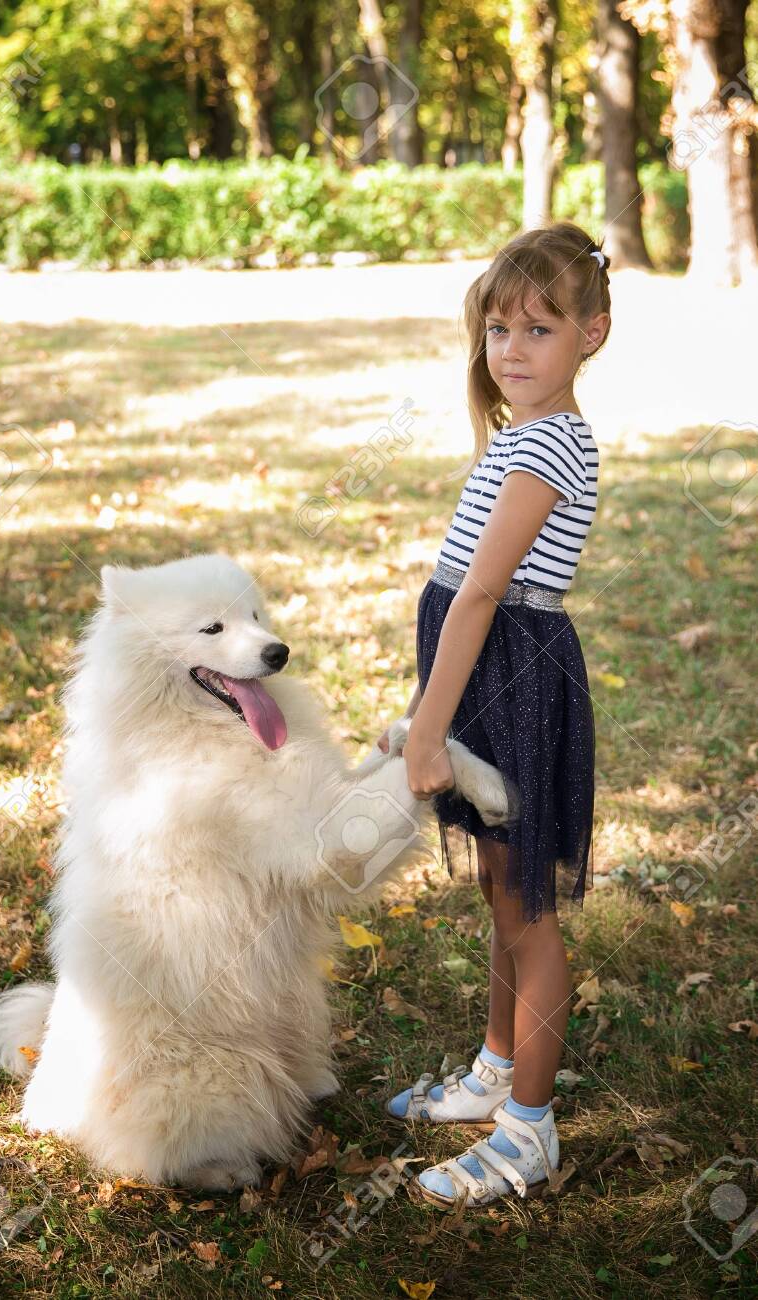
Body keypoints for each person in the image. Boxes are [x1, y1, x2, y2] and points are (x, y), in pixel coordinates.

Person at [379, 221, 612, 1210]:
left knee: (528, 913)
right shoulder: (521, 435)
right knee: (498, 895)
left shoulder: (550, 445)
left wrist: (426, 730)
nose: (511, 350)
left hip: (509, 684)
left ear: (590, 335)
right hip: (482, 676)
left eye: (538, 330)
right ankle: (492, 1069)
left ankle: (527, 1131)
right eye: (497, 330)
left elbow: (478, 594)